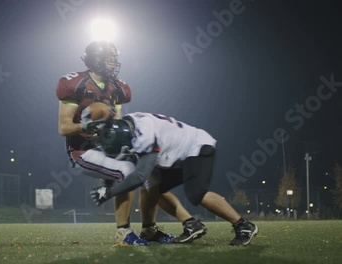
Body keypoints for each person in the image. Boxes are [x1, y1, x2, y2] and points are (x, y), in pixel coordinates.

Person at [56, 41, 206, 245]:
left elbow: (117, 124)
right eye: (108, 58)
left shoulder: (118, 87)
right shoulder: (75, 84)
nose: (113, 63)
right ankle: (123, 233)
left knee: (152, 175)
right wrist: (90, 125)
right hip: (82, 151)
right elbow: (63, 128)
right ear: (94, 60)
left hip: (109, 147)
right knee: (127, 172)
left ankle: (150, 230)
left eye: (114, 59)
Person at [89, 112, 259, 246]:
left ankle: (242, 225)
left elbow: (139, 176)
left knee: (196, 193)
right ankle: (187, 225)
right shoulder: (129, 123)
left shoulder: (145, 135)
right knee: (153, 186)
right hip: (179, 151)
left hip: (196, 147)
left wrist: (108, 192)